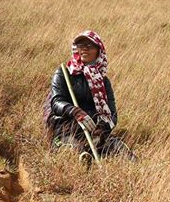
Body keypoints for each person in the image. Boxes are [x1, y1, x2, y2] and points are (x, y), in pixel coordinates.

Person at [43, 30, 134, 162]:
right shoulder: (64, 72)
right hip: (66, 128)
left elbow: (112, 114)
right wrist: (73, 111)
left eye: (89, 46)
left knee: (121, 151)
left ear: (98, 50)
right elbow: (56, 102)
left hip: (94, 131)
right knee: (74, 152)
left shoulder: (103, 80)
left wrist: (102, 128)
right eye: (81, 45)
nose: (84, 49)